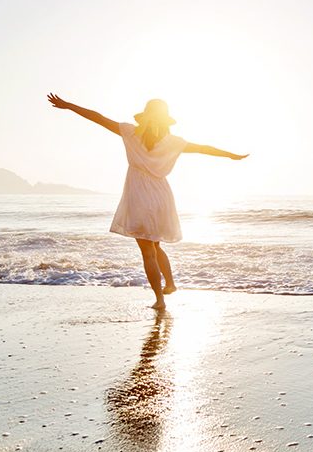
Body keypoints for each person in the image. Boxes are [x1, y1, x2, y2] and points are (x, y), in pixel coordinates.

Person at [47, 94, 247, 309]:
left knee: (148, 252)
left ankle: (160, 300)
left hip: (139, 195)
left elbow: (98, 118)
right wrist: (231, 156)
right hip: (162, 195)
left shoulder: (130, 132)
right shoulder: (173, 142)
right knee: (155, 244)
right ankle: (170, 284)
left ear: (144, 118)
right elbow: (204, 148)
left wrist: (69, 106)